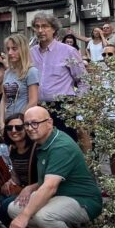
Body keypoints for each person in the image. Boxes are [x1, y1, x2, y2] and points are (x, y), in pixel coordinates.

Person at [8, 106, 102, 228]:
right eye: (27, 124)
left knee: (43, 215)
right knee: (14, 208)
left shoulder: (60, 146)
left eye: (35, 123)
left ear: (49, 122)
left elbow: (50, 187)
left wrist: (25, 217)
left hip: (83, 200)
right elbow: (47, 180)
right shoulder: (42, 142)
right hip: (61, 196)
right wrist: (30, 188)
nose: (30, 128)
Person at [30, 13, 86, 141]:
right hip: (38, 107)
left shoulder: (68, 51)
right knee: (41, 144)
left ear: (54, 29)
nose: (40, 30)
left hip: (63, 108)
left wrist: (77, 106)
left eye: (44, 26)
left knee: (64, 144)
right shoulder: (31, 52)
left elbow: (83, 80)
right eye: (37, 27)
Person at [0, 34, 40, 132]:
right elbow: (3, 100)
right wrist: (1, 121)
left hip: (23, 122)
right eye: (8, 49)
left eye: (14, 49)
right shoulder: (7, 72)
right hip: (8, 122)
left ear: (23, 49)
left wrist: (19, 120)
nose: (10, 52)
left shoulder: (31, 71)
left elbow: (33, 101)